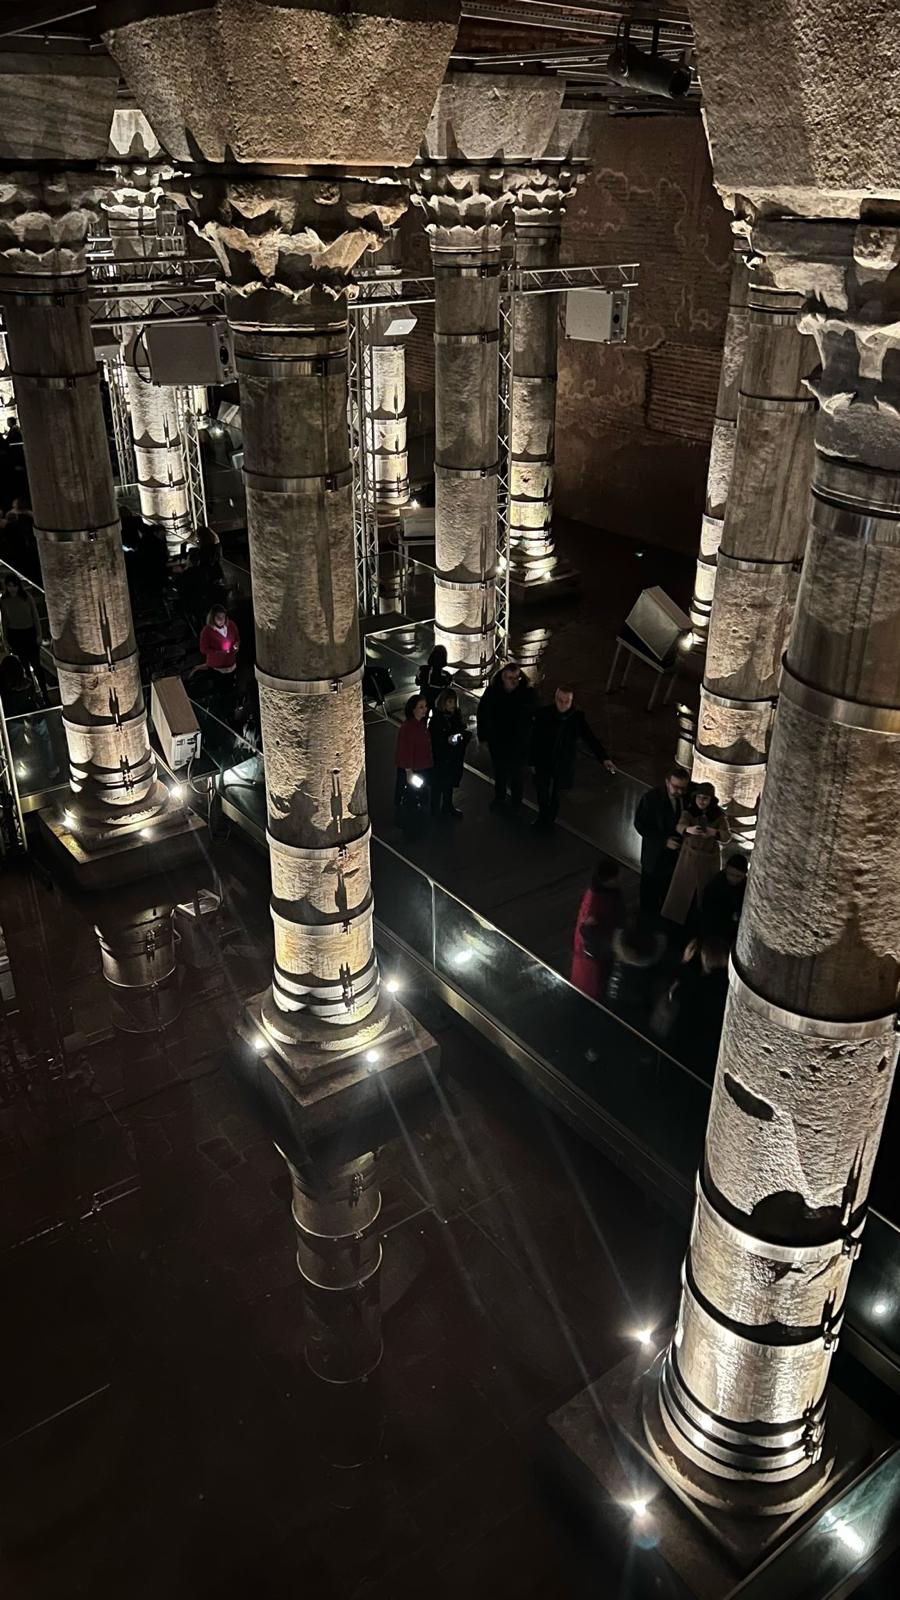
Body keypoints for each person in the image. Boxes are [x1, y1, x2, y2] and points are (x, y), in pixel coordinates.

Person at [531, 684, 616, 831]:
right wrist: (531, 760)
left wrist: (604, 758)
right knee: (542, 792)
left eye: (567, 701)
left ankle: (548, 821)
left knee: (555, 795)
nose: (563, 704)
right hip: (544, 761)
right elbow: (534, 739)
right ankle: (543, 818)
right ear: (555, 698)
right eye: (560, 700)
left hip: (562, 764)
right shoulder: (544, 714)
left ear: (571, 701)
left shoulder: (576, 718)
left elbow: (590, 738)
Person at [661, 781, 729, 928]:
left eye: (705, 798)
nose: (701, 801)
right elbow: (680, 826)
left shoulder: (718, 816)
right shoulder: (689, 812)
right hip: (689, 857)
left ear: (711, 800)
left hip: (708, 859)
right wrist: (688, 829)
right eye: (699, 797)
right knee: (682, 893)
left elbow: (726, 836)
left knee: (703, 895)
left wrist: (714, 832)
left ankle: (699, 925)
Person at [663, 936, 730, 1079]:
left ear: (704, 958)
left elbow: (672, 996)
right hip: (712, 1053)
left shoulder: (694, 986)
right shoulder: (729, 990)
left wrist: (684, 962)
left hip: (685, 1047)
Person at [476, 660, 535, 816]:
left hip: (518, 744)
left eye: (517, 678)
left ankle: (516, 804)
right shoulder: (493, 692)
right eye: (510, 678)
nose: (514, 681)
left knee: (517, 776)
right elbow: (483, 713)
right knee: (500, 773)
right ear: (503, 677)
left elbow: (534, 717)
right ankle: (499, 799)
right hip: (498, 742)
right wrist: (483, 736)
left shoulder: (527, 693)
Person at [634, 767, 690, 916]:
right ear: (667, 782)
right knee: (649, 895)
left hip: (676, 858)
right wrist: (664, 841)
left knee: (670, 893)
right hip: (655, 857)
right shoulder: (651, 799)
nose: (679, 791)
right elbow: (640, 825)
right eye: (676, 787)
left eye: (683, 788)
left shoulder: (687, 796)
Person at [570, 857, 624, 1001]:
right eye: (617, 876)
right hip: (594, 959)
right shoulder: (596, 904)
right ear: (608, 880)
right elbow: (590, 935)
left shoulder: (600, 892)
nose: (621, 878)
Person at [0, 653, 57, 780]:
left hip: (13, 718)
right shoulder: (27, 683)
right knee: (45, 739)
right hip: (33, 715)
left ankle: (18, 774)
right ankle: (51, 767)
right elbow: (35, 699)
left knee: (15, 746)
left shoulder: (4, 689)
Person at [605, 917, 667, 1022]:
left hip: (613, 1000)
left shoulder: (619, 950)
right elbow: (661, 942)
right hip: (636, 1008)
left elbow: (617, 936)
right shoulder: (651, 960)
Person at [1, 573, 46, 701]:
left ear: (18, 586)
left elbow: (35, 617)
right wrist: (5, 639)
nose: (12, 589)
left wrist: (39, 634)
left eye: (14, 586)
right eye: (9, 586)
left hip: (29, 633)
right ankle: (34, 694)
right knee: (25, 667)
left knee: (36, 665)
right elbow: (4, 620)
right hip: (15, 634)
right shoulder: (4, 600)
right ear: (6, 587)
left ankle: (44, 694)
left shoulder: (27, 597)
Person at [429, 687, 468, 818]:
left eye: (454, 702)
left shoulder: (456, 716)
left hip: (453, 757)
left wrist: (460, 736)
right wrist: (447, 740)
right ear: (443, 702)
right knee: (437, 785)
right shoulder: (437, 719)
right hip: (441, 758)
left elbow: (461, 731)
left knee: (449, 784)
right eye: (449, 702)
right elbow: (434, 739)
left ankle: (447, 806)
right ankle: (435, 810)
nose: (452, 705)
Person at [394, 692, 432, 820]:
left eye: (425, 706)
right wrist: (408, 771)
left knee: (418, 792)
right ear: (413, 709)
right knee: (412, 793)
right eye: (421, 707)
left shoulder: (420, 724)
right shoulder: (408, 728)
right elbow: (406, 750)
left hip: (420, 766)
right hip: (413, 768)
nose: (425, 709)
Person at [698, 852, 748, 947]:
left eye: (738, 876)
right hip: (714, 930)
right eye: (731, 874)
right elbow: (708, 911)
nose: (733, 878)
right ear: (726, 870)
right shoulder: (715, 885)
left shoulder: (745, 888)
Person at [197, 604, 240, 677]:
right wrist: (217, 653)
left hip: (232, 665)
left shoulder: (231, 625)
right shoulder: (207, 631)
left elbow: (237, 638)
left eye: (223, 617)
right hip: (216, 668)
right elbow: (203, 649)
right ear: (212, 618)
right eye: (218, 617)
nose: (221, 620)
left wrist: (237, 644)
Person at [415, 644, 453, 710]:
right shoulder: (447, 675)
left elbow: (417, 682)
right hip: (438, 700)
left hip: (424, 697)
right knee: (437, 714)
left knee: (422, 714)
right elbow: (447, 687)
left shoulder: (423, 669)